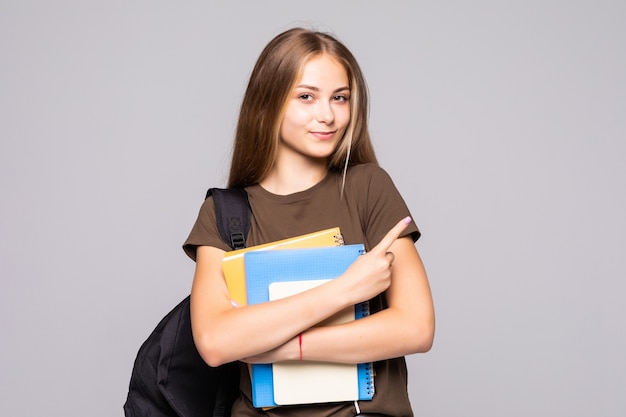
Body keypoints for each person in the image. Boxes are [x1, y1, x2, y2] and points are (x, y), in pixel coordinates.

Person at [183, 27, 435, 417]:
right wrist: (345, 289)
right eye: (306, 97)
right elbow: (216, 342)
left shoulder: (368, 187)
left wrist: (282, 346)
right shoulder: (225, 214)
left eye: (340, 98)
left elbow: (416, 327)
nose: (328, 115)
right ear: (267, 104)